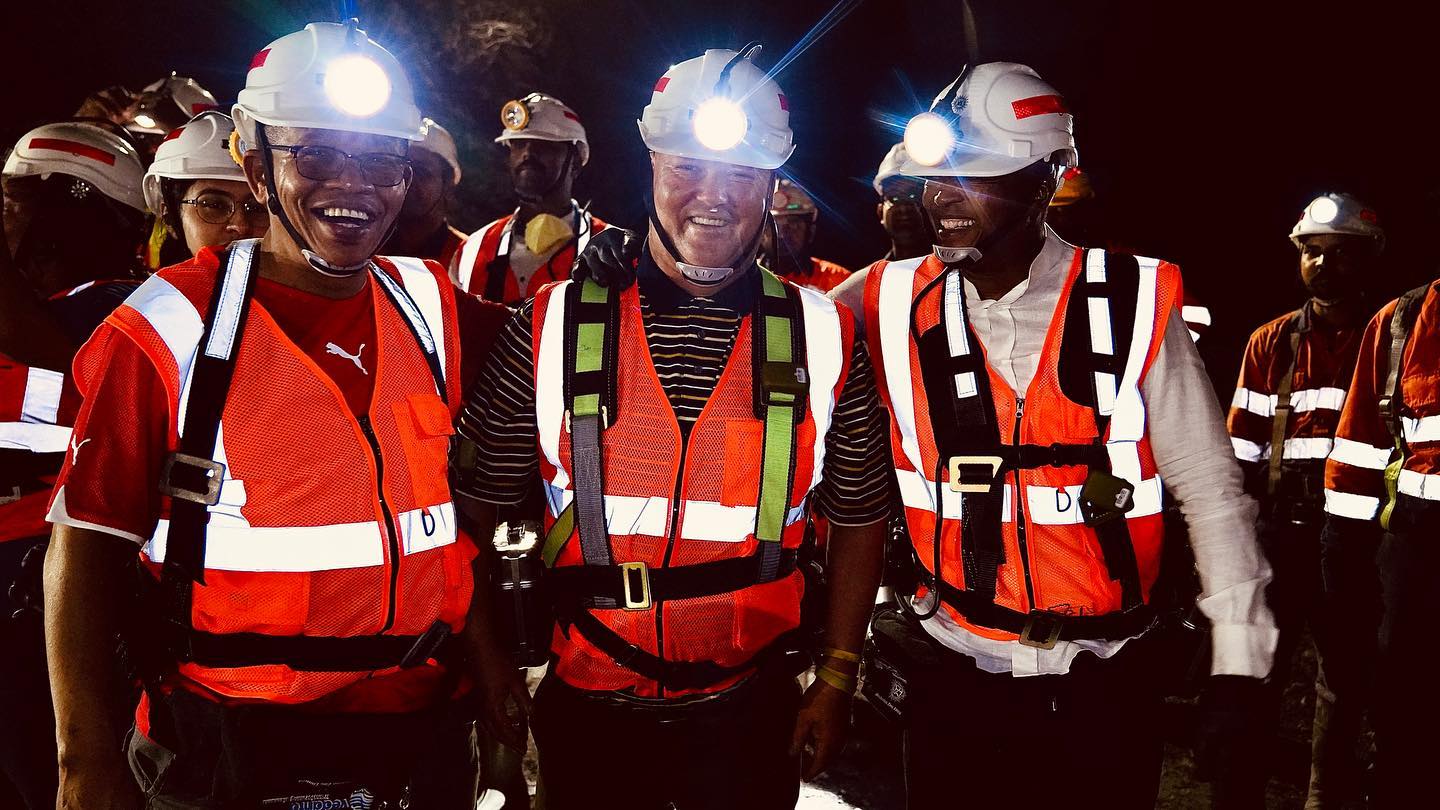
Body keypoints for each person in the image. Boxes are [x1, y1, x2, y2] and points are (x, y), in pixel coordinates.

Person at [43, 21, 510, 810]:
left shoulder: (430, 304)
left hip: (420, 734)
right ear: (257, 168)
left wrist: (626, 277)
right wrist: (85, 765)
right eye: (317, 154)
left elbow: (548, 351)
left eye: (381, 159)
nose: (354, 184)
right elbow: (87, 542)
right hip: (230, 744)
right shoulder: (169, 325)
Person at [829, 62, 1277, 809]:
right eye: (936, 177)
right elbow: (764, 330)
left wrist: (1238, 660)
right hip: (954, 679)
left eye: (977, 176)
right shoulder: (885, 298)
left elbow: (1210, 487)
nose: (944, 196)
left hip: (1105, 683)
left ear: (1045, 182)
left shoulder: (1130, 302)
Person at [453, 45, 889, 810]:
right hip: (588, 706)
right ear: (651, 162)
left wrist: (837, 676)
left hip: (751, 709)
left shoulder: (823, 335)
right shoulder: (551, 325)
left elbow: (859, 513)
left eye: (742, 175)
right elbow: (472, 509)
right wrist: (489, 665)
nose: (712, 196)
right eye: (687, 166)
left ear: (772, 183)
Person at [0, 119, 149, 810]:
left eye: (14, 198)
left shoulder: (122, 305)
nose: (6, 216)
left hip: (50, 573)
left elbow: (41, 340)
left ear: (74, 208)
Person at [1227, 192, 1380, 807]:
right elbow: (1241, 449)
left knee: (1343, 680)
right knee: (1255, 669)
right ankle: (1239, 796)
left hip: (1357, 537)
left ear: (1367, 258)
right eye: (1312, 251)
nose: (1323, 263)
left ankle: (1326, 798)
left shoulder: (1388, 340)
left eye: (1340, 253)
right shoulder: (1271, 342)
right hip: (1280, 530)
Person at [1320, 246, 1439, 809]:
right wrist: (1343, 571)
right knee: (1407, 715)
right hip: (1418, 556)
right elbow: (1359, 453)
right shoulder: (1401, 324)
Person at [450, 93, 607, 303]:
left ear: (575, 162)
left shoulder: (608, 249)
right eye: (519, 144)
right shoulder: (472, 250)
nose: (528, 153)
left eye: (544, 145)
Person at [141, 110, 269, 268]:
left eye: (257, 208)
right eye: (214, 205)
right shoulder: (154, 284)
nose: (241, 226)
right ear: (169, 219)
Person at [384, 117, 468, 266]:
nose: (408, 179)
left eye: (421, 171)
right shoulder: (368, 248)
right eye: (402, 170)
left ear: (447, 184)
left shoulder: (469, 259)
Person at [762, 178, 850, 292]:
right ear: (760, 232)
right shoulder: (743, 278)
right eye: (773, 225)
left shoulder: (839, 281)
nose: (781, 234)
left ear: (811, 231)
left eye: (793, 224)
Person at [872, 143, 930, 262]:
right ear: (880, 211)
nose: (904, 209)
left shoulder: (960, 271)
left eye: (912, 196)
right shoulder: (872, 274)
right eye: (894, 198)